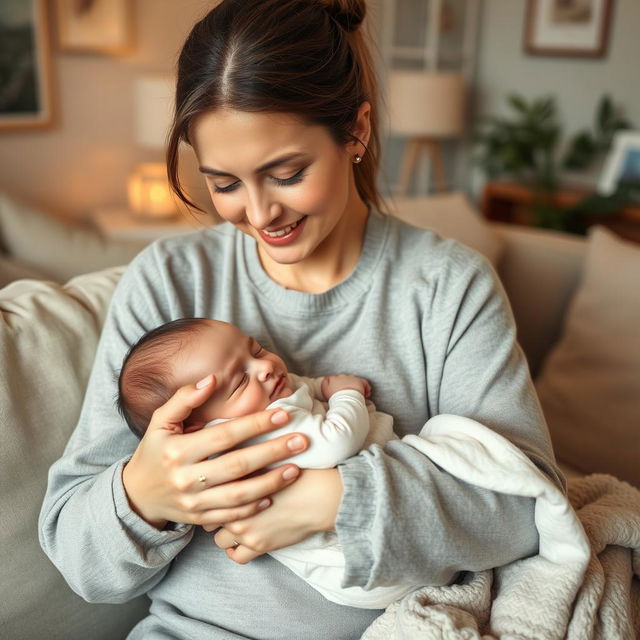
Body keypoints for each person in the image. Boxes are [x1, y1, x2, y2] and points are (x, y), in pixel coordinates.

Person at [39, 1, 563, 638]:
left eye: (286, 174)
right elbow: (79, 555)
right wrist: (146, 494)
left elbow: (525, 504)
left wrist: (333, 501)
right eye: (225, 183)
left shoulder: (448, 287)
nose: (260, 214)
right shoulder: (170, 281)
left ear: (357, 130)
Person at [117, 316, 414, 608]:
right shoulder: (258, 431)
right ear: (195, 426)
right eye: (240, 382)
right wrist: (345, 394)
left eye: (257, 349)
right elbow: (337, 440)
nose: (265, 366)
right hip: (364, 561)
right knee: (449, 432)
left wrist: (320, 385)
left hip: (375, 548)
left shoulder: (264, 398)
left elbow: (298, 386)